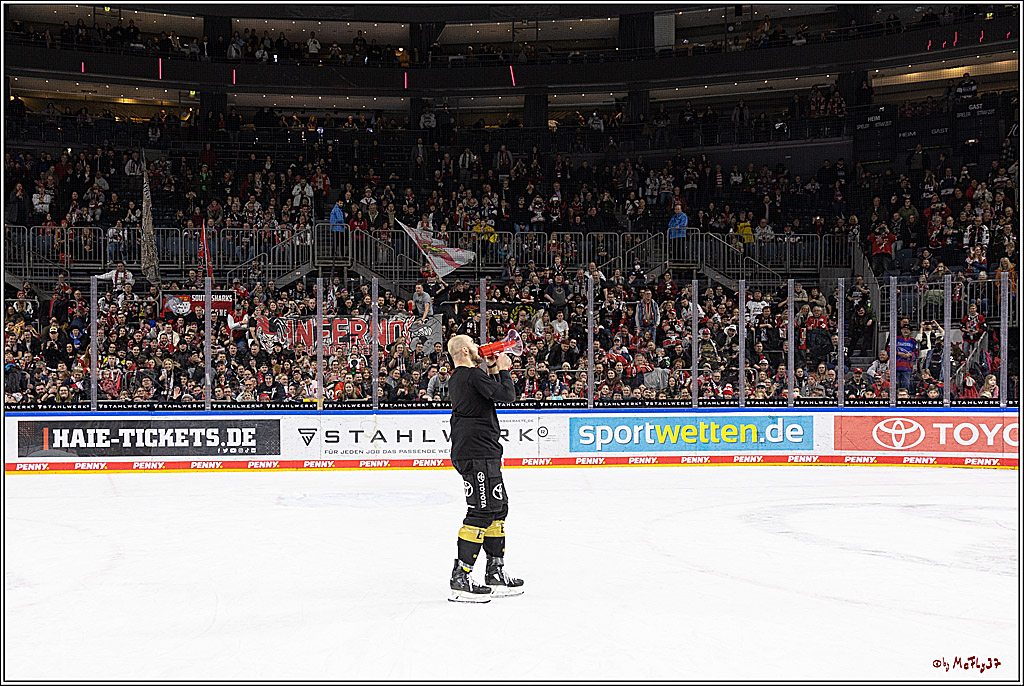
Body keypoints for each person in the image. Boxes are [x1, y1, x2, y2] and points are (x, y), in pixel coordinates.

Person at [445, 334, 524, 602]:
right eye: (473, 344)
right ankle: (461, 578)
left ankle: (495, 572)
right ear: (465, 351)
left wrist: (491, 368)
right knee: (481, 511)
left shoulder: (464, 377)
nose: (479, 347)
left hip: (482, 451)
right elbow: (507, 396)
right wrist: (503, 369)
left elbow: (489, 392)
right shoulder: (470, 375)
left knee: (498, 508)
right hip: (477, 452)